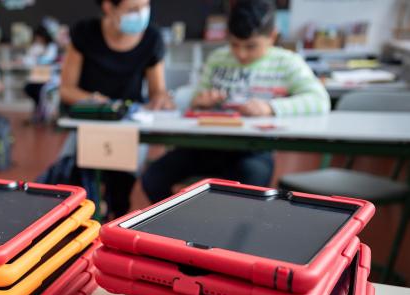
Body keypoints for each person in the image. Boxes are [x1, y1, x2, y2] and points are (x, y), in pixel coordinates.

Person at [141, 0, 330, 203]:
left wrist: (271, 107)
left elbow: (319, 100)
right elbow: (195, 95)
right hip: (203, 145)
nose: (241, 53)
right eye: (234, 44)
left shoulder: (287, 62)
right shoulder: (218, 58)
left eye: (251, 46)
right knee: (153, 178)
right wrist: (199, 101)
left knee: (249, 190)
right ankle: (173, 226)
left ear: (272, 36)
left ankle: (228, 232)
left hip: (252, 150)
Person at [56, 0, 173, 219]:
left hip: (129, 125)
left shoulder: (152, 38)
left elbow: (159, 91)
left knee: (120, 188)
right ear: (109, 7)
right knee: (71, 181)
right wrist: (96, 101)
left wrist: (161, 99)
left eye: (145, 6)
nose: (141, 14)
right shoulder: (85, 33)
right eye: (132, 9)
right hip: (91, 121)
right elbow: (67, 90)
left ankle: (113, 218)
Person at [23, 26, 59, 110]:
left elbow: (49, 60)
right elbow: (29, 60)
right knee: (29, 88)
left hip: (48, 77)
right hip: (37, 76)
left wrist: (40, 55)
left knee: (39, 91)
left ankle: (40, 110)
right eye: (36, 38)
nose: (38, 40)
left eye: (39, 38)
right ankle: (38, 109)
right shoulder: (35, 46)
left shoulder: (51, 47)